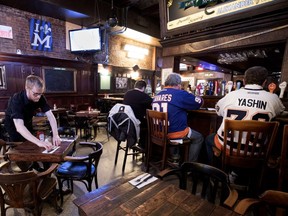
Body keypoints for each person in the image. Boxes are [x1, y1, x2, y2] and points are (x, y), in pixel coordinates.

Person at [205, 66, 285, 171]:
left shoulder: (231, 95)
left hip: (228, 147)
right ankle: (242, 175)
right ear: (265, 82)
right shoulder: (273, 98)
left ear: (244, 81)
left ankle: (215, 175)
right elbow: (281, 112)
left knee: (209, 139)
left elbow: (218, 111)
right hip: (257, 151)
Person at [152, 73, 204, 162]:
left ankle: (174, 157)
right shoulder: (180, 94)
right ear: (179, 84)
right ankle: (190, 166)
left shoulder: (157, 95)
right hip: (173, 134)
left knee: (174, 125)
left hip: (158, 132)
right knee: (199, 138)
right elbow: (199, 102)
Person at [5, 75, 61, 150]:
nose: (38, 97)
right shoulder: (16, 99)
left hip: (27, 123)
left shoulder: (40, 97)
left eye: (40, 94)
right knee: (22, 150)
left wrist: (56, 135)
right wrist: (38, 142)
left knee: (34, 146)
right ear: (27, 88)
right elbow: (19, 127)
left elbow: (50, 116)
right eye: (35, 94)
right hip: (13, 127)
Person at [123, 80, 153, 150]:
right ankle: (144, 147)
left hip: (126, 122)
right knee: (149, 125)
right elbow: (151, 106)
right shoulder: (144, 96)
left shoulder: (127, 94)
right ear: (143, 88)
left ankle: (139, 145)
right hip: (137, 122)